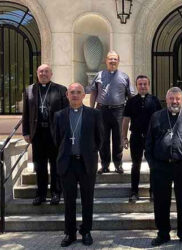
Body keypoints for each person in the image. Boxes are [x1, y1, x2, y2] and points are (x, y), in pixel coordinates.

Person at [145, 87, 182, 247]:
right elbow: (149, 143)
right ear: (166, 99)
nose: (175, 102)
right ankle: (163, 233)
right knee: (161, 201)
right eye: (171, 98)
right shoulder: (156, 116)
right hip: (161, 166)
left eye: (177, 99)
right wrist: (152, 164)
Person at [54, 83, 104, 247]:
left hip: (86, 163)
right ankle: (70, 233)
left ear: (84, 95)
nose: (75, 95)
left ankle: (86, 231)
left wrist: (89, 152)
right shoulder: (59, 115)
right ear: (67, 95)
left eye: (78, 92)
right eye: (72, 92)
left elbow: (100, 138)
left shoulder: (94, 114)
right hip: (67, 163)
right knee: (68, 200)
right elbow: (56, 139)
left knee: (87, 200)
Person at [22, 64, 68, 206]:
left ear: (51, 74)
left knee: (55, 165)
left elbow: (66, 113)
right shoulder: (29, 90)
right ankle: (40, 194)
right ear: (37, 73)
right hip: (37, 133)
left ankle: (56, 193)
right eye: (41, 71)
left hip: (54, 133)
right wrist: (26, 132)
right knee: (39, 165)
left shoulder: (60, 90)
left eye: (46, 71)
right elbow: (26, 113)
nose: (43, 74)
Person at [90, 50, 134, 174]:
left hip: (119, 111)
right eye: (110, 59)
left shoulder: (124, 77)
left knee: (118, 138)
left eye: (115, 59)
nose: (113, 61)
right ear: (106, 60)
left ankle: (118, 164)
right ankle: (104, 165)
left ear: (118, 61)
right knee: (103, 139)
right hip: (102, 110)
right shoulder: (99, 75)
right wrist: (92, 109)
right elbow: (94, 92)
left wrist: (131, 113)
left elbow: (130, 95)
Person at [121, 75, 161, 201]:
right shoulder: (131, 101)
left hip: (152, 139)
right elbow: (126, 120)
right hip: (136, 137)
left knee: (153, 165)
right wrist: (124, 137)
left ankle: (153, 192)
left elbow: (161, 119)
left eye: (145, 84)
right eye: (140, 84)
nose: (143, 86)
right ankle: (134, 192)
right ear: (136, 86)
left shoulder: (155, 101)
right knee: (135, 165)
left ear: (149, 85)